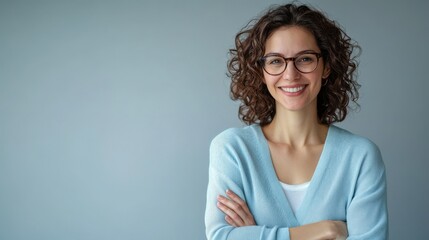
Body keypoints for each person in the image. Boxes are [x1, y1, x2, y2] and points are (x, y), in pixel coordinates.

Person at [205, 3, 388, 240]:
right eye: (275, 61)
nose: (290, 74)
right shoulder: (232, 150)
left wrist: (257, 234)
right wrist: (324, 231)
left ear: (326, 66)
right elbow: (221, 236)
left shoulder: (360, 157)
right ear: (261, 71)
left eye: (305, 59)